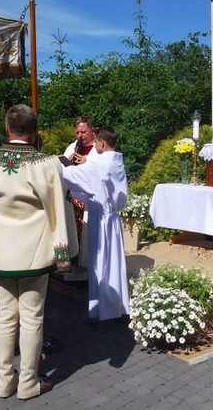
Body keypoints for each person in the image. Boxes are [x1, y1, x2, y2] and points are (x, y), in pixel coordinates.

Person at [0, 104, 76, 400]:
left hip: (0, 252)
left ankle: (4, 382)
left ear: (6, 129)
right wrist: (66, 251)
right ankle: (28, 382)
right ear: (35, 131)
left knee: (4, 315)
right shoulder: (46, 163)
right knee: (31, 317)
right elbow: (60, 208)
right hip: (35, 252)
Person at [62, 126, 130, 322]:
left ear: (101, 142)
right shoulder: (116, 161)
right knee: (114, 263)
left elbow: (71, 176)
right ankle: (119, 306)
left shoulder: (98, 164)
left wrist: (53, 165)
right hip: (113, 219)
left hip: (99, 219)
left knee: (100, 264)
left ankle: (103, 311)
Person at [62, 116, 98, 274]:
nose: (79, 135)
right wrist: (66, 161)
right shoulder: (73, 146)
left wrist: (87, 162)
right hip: (72, 195)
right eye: (77, 132)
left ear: (92, 130)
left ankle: (86, 264)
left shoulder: (100, 147)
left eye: (83, 132)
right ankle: (72, 260)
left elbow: (105, 168)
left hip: (90, 197)